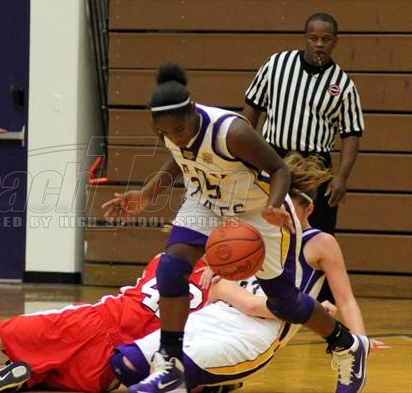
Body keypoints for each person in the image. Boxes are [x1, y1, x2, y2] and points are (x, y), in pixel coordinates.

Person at [101, 64, 369, 393]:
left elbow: (279, 169)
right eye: (167, 133)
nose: (175, 137)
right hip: (207, 201)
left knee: (284, 302)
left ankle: (346, 345)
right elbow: (179, 160)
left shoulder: (231, 132)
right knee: (171, 269)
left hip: (260, 209)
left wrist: (274, 205)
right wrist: (146, 195)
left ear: (192, 110)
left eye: (180, 130)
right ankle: (170, 363)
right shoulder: (170, 130)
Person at [111, 154, 388, 391]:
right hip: (221, 313)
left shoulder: (320, 242)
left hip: (260, 327)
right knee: (126, 364)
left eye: (289, 208)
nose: (281, 213)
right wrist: (217, 269)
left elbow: (346, 299)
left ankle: (349, 350)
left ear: (309, 209)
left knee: (169, 377)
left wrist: (359, 339)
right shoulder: (253, 233)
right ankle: (214, 385)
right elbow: (217, 281)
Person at [0, 254, 213, 392]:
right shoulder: (217, 288)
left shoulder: (164, 259)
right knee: (73, 378)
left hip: (95, 318)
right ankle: (25, 377)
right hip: (126, 353)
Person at [242, 12, 365, 304]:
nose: (319, 44)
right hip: (273, 156)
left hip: (315, 165)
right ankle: (253, 285)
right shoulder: (276, 65)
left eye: (325, 39)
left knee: (316, 229)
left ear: (335, 42)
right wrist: (245, 153)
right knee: (264, 219)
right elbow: (252, 108)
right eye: (313, 38)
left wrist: (341, 177)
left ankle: (321, 300)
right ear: (305, 38)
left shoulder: (343, 85)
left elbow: (351, 133)